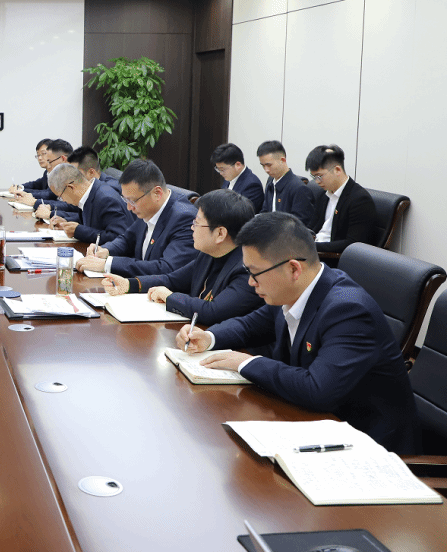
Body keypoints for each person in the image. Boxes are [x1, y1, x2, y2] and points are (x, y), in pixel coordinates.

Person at [177, 212, 419, 453]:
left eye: (255, 273)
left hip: (367, 445)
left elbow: (317, 389)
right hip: (312, 422)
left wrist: (245, 362)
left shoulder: (348, 310)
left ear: (294, 269)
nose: (250, 282)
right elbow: (249, 325)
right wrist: (208, 337)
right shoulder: (292, 290)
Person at [101, 189, 260, 326]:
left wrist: (170, 297)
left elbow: (213, 311)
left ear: (220, 233)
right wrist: (129, 284)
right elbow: (172, 280)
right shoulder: (208, 254)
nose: (192, 228)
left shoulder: (248, 269)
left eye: (197, 223)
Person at [76, 159, 198, 277]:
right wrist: (106, 250)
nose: (129, 207)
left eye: (132, 201)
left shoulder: (185, 218)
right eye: (126, 200)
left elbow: (166, 268)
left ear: (157, 193)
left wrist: (108, 264)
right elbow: (127, 239)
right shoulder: (147, 207)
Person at [305, 144, 376, 254]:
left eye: (319, 176)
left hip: (331, 257)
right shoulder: (323, 195)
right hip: (315, 250)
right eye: (314, 177)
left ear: (337, 170)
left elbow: (352, 244)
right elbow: (312, 226)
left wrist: (312, 247)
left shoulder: (360, 200)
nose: (317, 181)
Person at [43, 163, 132, 244]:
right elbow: (93, 220)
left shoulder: (106, 199)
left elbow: (117, 237)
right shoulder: (91, 193)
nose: (63, 200)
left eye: (60, 196)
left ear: (71, 188)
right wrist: (66, 223)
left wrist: (78, 231)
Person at [35, 145, 123, 221]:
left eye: (76, 172)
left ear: (91, 172)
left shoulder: (109, 190)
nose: (73, 176)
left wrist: (52, 214)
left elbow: (80, 212)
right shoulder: (88, 189)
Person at [256, 140, 317, 229]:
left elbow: (299, 224)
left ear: (282, 160)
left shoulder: (299, 188)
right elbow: (265, 212)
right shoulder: (271, 183)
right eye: (263, 165)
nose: (266, 170)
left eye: (269, 165)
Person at [13, 139, 73, 205]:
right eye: (38, 155)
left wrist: (34, 201)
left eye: (43, 154)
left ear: (63, 159)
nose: (40, 158)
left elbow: (51, 194)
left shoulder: (71, 175)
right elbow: (36, 184)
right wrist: (20, 188)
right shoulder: (50, 173)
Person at [210, 142, 263, 210]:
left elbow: (242, 213)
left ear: (238, 165)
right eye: (218, 169)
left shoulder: (252, 185)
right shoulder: (229, 178)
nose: (220, 173)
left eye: (222, 169)